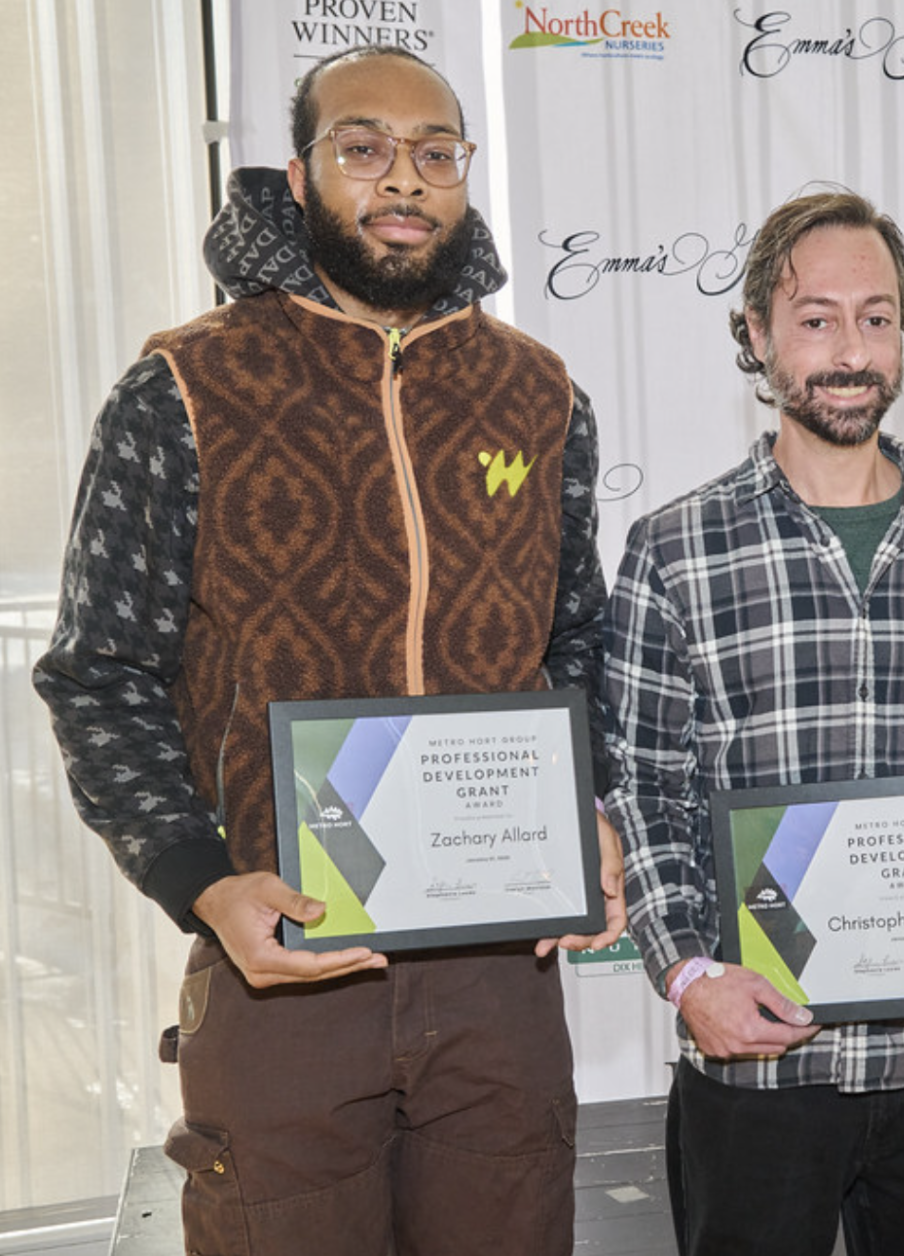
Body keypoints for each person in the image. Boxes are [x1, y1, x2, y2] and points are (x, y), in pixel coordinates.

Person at [34, 46, 624, 1255]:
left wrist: (589, 803)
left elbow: (576, 639)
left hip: (497, 967)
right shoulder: (183, 388)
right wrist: (200, 878)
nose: (401, 180)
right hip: (282, 958)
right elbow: (99, 674)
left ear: (464, 175)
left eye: (435, 153)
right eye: (362, 149)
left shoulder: (539, 395)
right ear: (299, 179)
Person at [602, 188, 904, 1256]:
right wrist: (686, 973)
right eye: (816, 319)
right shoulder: (675, 548)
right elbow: (645, 786)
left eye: (877, 316)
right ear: (758, 337)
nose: (851, 350)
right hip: (754, 1064)